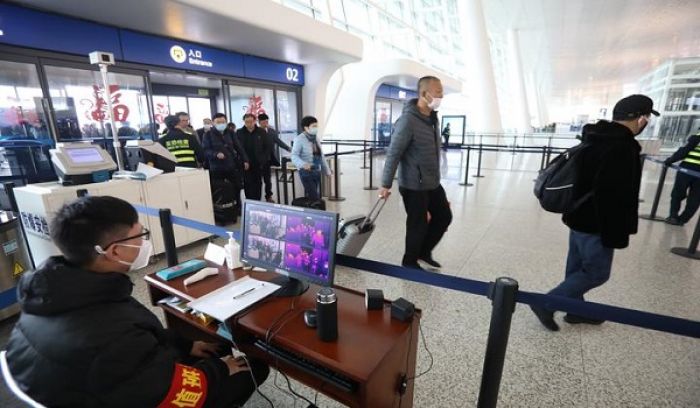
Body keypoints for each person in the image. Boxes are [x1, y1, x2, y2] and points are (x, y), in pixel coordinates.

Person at [5, 196, 269, 407]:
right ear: (115, 251)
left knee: (214, 347)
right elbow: (163, 393)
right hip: (133, 394)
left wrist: (186, 344)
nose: (144, 241)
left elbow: (137, 339)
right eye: (140, 236)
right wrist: (220, 371)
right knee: (254, 366)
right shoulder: (109, 336)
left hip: (91, 386)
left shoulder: (51, 290)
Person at [530, 94, 658, 331]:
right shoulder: (622, 147)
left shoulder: (595, 138)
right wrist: (616, 233)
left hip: (578, 216)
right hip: (597, 223)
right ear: (640, 119)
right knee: (597, 272)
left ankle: (575, 310)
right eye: (647, 117)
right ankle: (546, 303)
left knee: (576, 268)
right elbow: (614, 195)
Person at [379, 76, 452, 270]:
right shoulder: (408, 121)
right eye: (438, 92)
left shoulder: (432, 118)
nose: (441, 96)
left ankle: (424, 251)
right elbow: (393, 153)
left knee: (444, 216)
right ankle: (409, 261)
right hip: (413, 184)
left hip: (432, 182)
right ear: (424, 93)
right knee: (417, 225)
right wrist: (385, 184)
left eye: (441, 92)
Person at [203, 113, 250, 216]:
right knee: (219, 190)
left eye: (223, 122)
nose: (221, 124)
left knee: (236, 188)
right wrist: (215, 154)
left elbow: (239, 147)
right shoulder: (208, 135)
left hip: (231, 165)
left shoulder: (230, 132)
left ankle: (237, 208)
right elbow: (205, 151)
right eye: (218, 122)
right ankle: (220, 212)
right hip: (216, 168)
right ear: (213, 123)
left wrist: (245, 160)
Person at [664, 130, 700, 226]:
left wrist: (670, 160)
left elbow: (684, 151)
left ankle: (673, 217)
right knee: (695, 198)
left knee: (678, 193)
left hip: (687, 168)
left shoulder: (696, 137)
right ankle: (683, 220)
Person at [291, 116, 331, 200]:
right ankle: (316, 211)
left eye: (316, 126)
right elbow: (294, 156)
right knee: (314, 197)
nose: (316, 128)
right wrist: (303, 164)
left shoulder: (316, 138)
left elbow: (321, 156)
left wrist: (327, 171)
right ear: (306, 127)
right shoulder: (299, 139)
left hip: (316, 171)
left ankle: (310, 210)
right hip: (306, 172)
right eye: (314, 126)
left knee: (313, 196)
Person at [237, 113, 272, 201]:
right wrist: (242, 160)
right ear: (244, 122)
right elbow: (237, 148)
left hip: (258, 163)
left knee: (258, 183)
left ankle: (257, 201)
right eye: (247, 122)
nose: (249, 124)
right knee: (247, 183)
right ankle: (249, 201)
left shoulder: (261, 131)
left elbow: (267, 147)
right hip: (246, 163)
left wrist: (263, 159)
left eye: (251, 121)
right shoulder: (239, 132)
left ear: (255, 121)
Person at [258, 113, 291, 202]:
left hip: (268, 159)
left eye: (267, 121)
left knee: (267, 180)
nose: (266, 123)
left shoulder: (271, 131)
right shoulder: (256, 132)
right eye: (263, 122)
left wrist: (288, 148)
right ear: (259, 122)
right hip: (257, 161)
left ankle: (269, 196)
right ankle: (256, 198)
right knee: (257, 181)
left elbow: (278, 141)